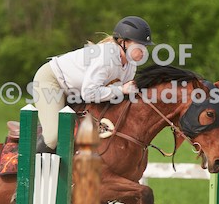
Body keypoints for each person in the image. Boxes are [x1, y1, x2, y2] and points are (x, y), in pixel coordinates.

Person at [30, 15, 154, 153]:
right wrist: (121, 90)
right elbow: (90, 93)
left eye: (145, 46)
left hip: (76, 92)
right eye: (139, 45)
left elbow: (114, 96)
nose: (144, 51)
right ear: (122, 42)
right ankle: (23, 164)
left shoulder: (131, 65)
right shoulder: (106, 57)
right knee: (53, 137)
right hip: (52, 81)